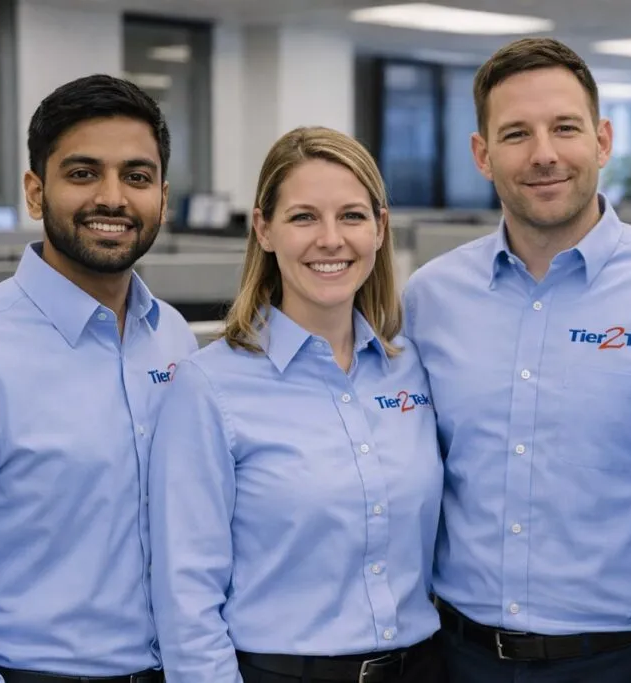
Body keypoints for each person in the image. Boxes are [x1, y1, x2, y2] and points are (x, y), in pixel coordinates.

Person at [402, 37, 631, 683]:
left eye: (565, 127)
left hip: (627, 659)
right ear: (482, 154)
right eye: (515, 133)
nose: (544, 154)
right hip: (457, 656)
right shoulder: (430, 297)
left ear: (603, 139)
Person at [0, 74, 198, 683]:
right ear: (35, 191)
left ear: (163, 196)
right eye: (82, 173)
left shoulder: (173, 336)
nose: (113, 198)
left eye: (137, 176)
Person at [147, 126, 444, 683]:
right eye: (304, 217)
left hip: (425, 667)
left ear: (380, 230)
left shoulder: (412, 369)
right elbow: (187, 597)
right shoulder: (209, 386)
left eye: (352, 216)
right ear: (263, 228)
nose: (330, 239)